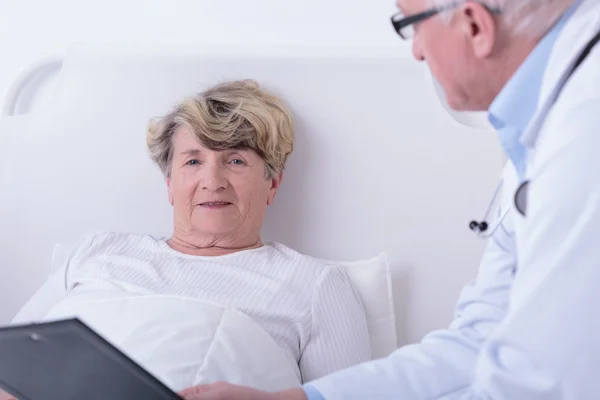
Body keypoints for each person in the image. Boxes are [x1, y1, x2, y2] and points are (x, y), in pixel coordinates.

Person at [178, 0, 600, 398]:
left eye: (410, 23)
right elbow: (481, 336)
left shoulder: (583, 141)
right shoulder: (543, 133)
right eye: (192, 161)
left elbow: (538, 385)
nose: (416, 51)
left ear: (475, 26)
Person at [0, 79, 371, 399]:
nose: (213, 180)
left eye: (236, 161)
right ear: (169, 184)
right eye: (193, 161)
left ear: (272, 183)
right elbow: (10, 364)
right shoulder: (99, 252)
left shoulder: (315, 286)